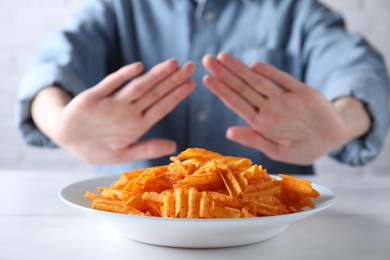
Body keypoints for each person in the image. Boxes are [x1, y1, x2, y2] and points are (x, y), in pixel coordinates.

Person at [16, 0, 390, 175]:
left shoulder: (297, 12)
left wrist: (341, 122)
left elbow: (360, 71)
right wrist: (58, 120)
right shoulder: (117, 8)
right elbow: (51, 65)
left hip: (273, 235)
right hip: (130, 233)